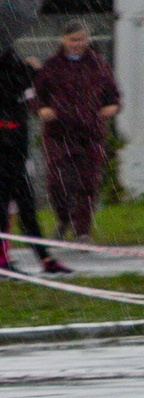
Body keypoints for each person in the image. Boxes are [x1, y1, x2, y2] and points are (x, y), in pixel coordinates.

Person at [35, 24, 121, 244]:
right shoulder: (52, 66)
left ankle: (82, 230)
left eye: (81, 39)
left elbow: (113, 95)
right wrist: (41, 109)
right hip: (58, 134)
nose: (77, 44)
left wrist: (112, 107)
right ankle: (64, 218)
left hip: (90, 133)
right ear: (63, 40)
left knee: (87, 182)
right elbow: (37, 95)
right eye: (73, 39)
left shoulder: (98, 65)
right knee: (58, 182)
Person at [0, 38, 66, 274]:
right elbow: (10, 87)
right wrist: (29, 70)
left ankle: (44, 257)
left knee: (26, 204)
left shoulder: (9, 54)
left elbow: (23, 89)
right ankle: (2, 259)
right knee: (4, 202)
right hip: (4, 141)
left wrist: (31, 70)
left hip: (17, 141)